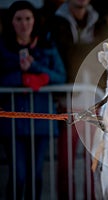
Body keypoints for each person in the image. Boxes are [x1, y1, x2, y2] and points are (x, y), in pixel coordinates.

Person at [0, 1, 66, 199]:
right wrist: (21, 78)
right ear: (11, 22)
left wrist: (37, 70)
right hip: (13, 121)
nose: (24, 24)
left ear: (34, 20)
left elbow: (60, 76)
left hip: (41, 120)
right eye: (18, 19)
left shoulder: (47, 44)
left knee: (35, 176)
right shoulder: (3, 47)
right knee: (18, 175)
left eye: (28, 18)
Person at [49, 0, 108, 199]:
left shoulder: (100, 22)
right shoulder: (55, 22)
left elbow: (106, 56)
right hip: (67, 100)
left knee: (92, 160)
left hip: (94, 100)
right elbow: (60, 56)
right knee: (65, 162)